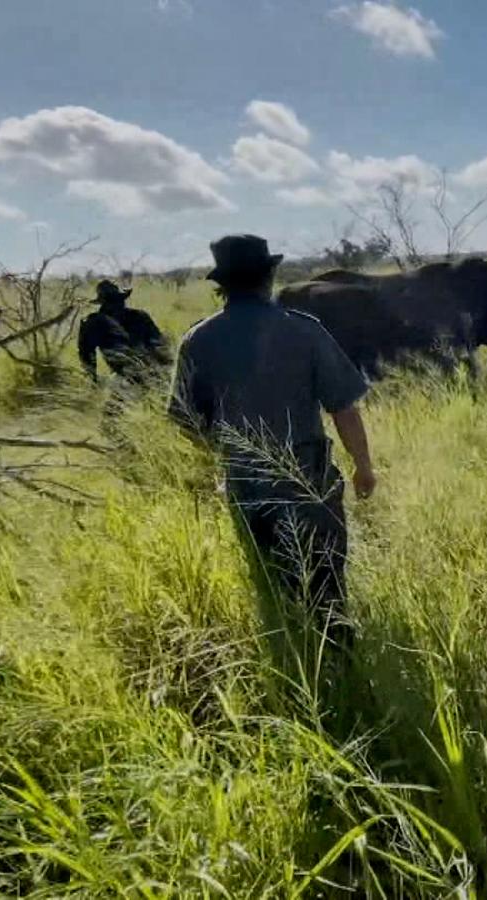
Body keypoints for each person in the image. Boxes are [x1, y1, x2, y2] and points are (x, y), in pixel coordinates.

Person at [168, 234, 376, 663]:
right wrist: (364, 467)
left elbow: (186, 419)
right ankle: (342, 668)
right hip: (308, 483)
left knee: (273, 583)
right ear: (269, 277)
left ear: (222, 284)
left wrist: (224, 453)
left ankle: (292, 661)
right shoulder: (304, 329)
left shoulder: (198, 340)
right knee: (326, 584)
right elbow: (344, 408)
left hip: (246, 487)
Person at [78, 280, 171, 387]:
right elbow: (161, 346)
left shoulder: (93, 322)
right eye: (116, 300)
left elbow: (86, 356)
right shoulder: (95, 322)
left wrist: (93, 381)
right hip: (148, 375)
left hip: (136, 376)